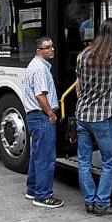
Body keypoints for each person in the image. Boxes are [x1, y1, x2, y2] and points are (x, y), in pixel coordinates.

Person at [75, 18, 112, 216]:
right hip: (103, 117)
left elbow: (78, 84)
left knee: (84, 161)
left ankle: (89, 202)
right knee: (109, 161)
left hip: (82, 115)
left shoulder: (84, 54)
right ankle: (102, 203)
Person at [22, 36, 63, 208]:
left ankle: (32, 189)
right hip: (42, 116)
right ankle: (43, 196)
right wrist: (51, 114)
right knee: (46, 157)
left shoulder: (35, 65)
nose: (52, 49)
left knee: (37, 155)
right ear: (39, 51)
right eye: (47, 47)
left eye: (52, 46)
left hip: (35, 116)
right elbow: (40, 95)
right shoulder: (39, 69)